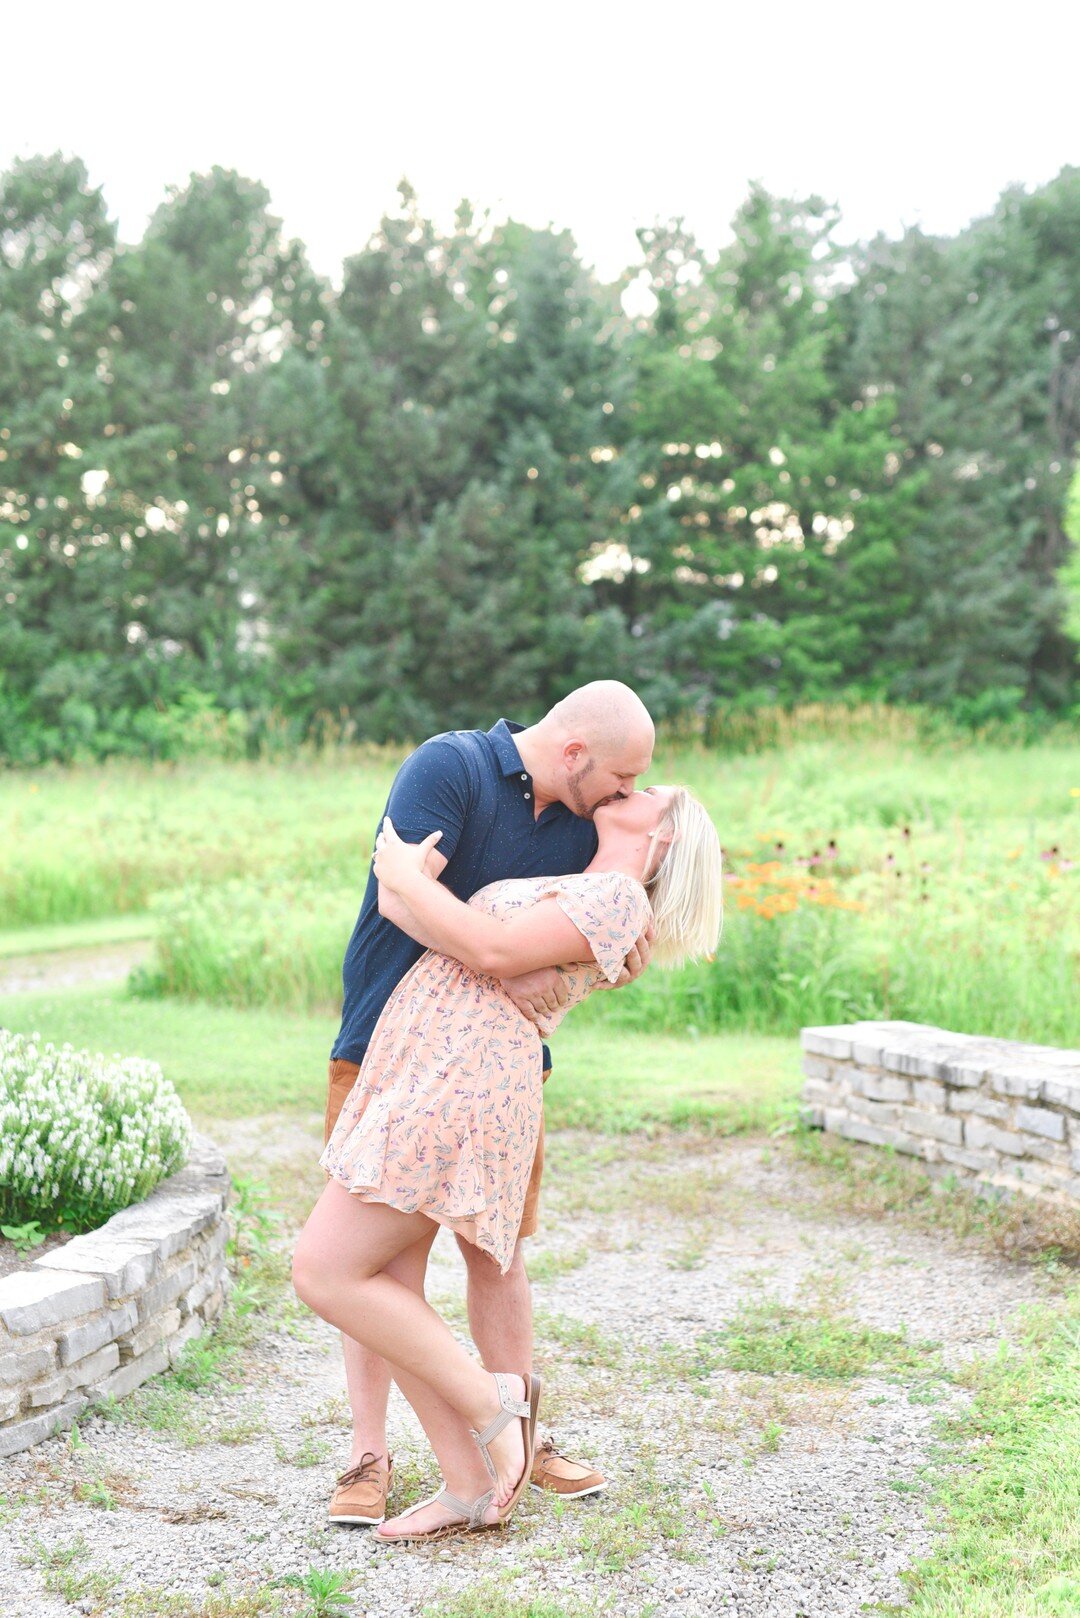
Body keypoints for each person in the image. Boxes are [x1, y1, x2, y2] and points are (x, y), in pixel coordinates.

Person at [292, 781, 723, 1542]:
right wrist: (412, 891)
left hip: (459, 1082)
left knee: (323, 1270)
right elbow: (463, 940)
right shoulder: (585, 882)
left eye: (651, 790)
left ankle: (495, 1412)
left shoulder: (620, 897)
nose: (635, 785)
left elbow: (487, 946)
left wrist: (402, 874)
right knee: (386, 1279)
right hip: (430, 1069)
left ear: (660, 840)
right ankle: (465, 1484)